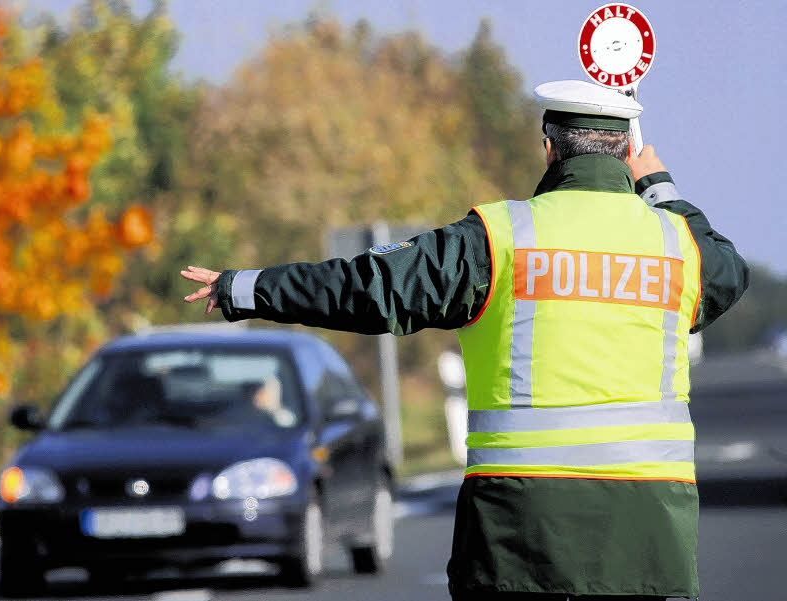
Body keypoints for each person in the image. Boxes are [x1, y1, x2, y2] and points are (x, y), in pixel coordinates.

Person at [180, 80, 749, 600]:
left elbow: (373, 288)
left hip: (519, 530)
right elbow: (727, 271)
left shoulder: (500, 238)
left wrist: (247, 289)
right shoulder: (677, 247)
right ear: (627, 152)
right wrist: (659, 185)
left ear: (548, 147)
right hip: (644, 533)